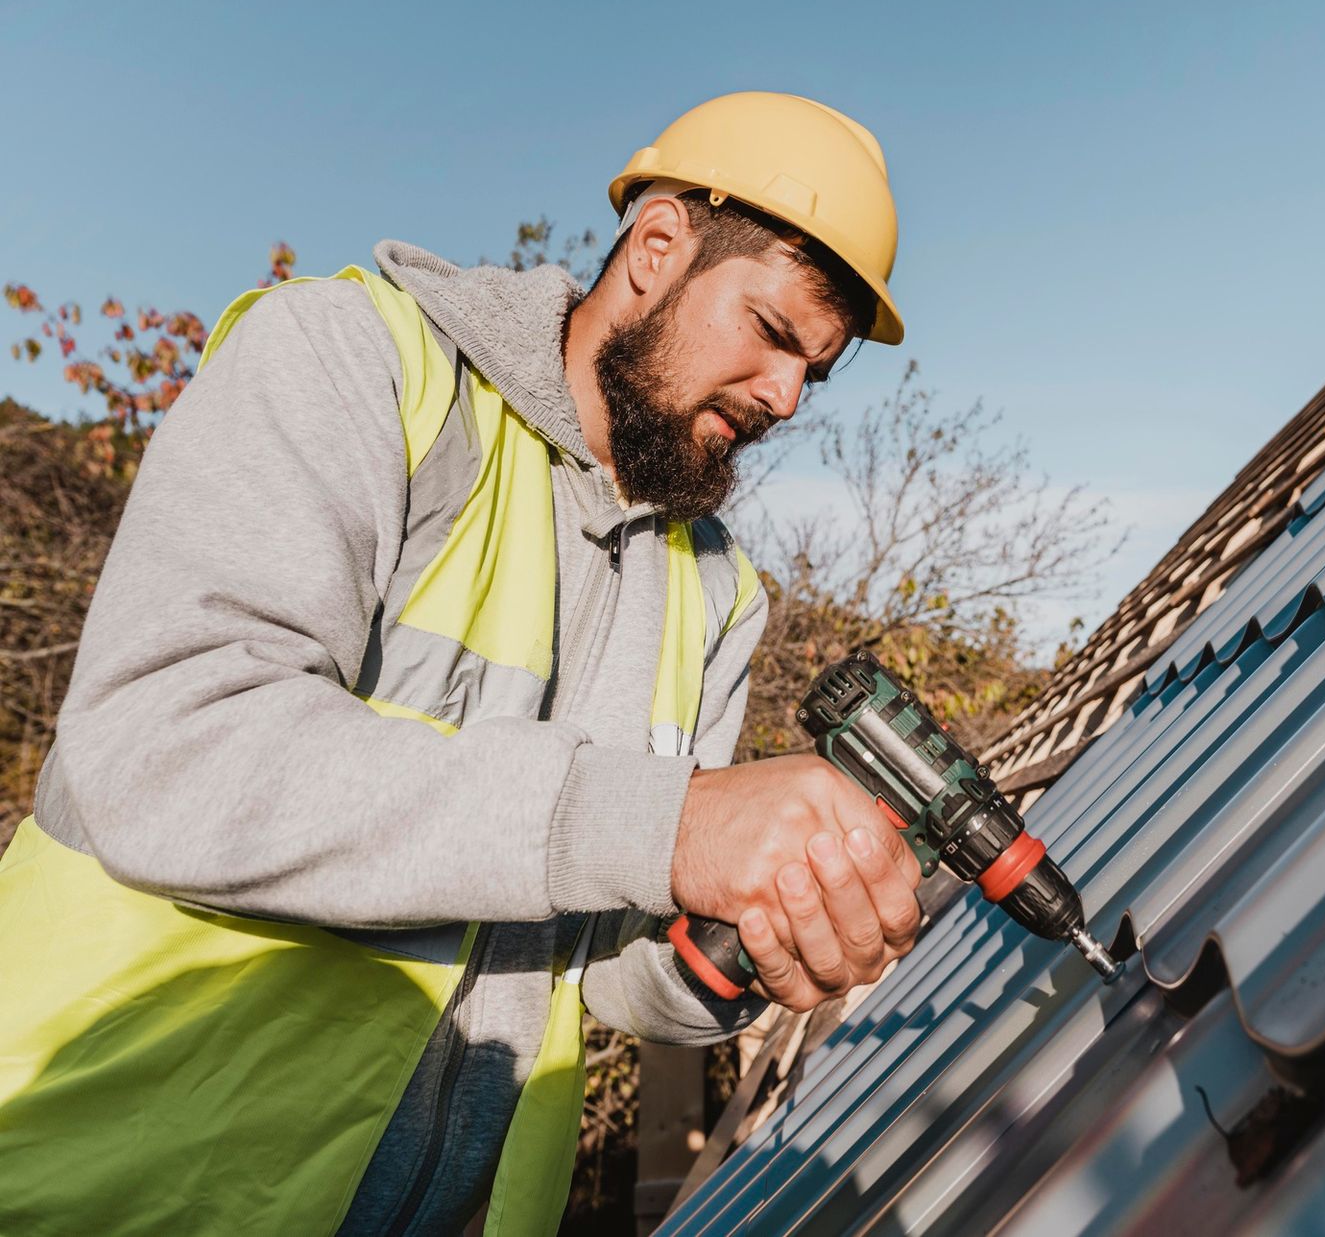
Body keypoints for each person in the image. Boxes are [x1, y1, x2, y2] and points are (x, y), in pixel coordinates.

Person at [0, 91, 916, 1236]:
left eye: (813, 373)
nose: (785, 397)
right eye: (774, 333)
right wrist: (667, 822)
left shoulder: (716, 589)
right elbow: (166, 750)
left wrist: (745, 938)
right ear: (661, 245)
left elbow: (605, 965)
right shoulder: (354, 363)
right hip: (100, 1189)